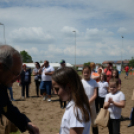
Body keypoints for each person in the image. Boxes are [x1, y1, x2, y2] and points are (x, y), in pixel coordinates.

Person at [0, 45, 39, 134]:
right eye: (15, 73)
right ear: (1, 67)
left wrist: (26, 123)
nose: (16, 78)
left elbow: (7, 108)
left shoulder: (2, 86)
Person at [52, 67, 91, 134]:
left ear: (69, 87)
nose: (55, 92)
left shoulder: (76, 110)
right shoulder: (73, 105)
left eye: (57, 89)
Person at [81, 65, 98, 134]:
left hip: (92, 105)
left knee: (94, 122)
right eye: (85, 72)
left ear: (90, 72)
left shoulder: (94, 82)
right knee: (83, 122)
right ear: (82, 72)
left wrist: (89, 102)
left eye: (87, 72)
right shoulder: (80, 82)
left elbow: (95, 94)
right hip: (83, 105)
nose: (86, 74)